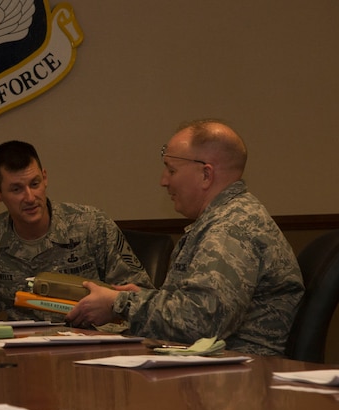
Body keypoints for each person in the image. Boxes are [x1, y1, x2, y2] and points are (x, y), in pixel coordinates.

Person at [65, 119, 304, 355]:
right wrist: (142, 298)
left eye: (171, 170)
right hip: (219, 368)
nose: (163, 181)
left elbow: (203, 323)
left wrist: (119, 304)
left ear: (205, 175)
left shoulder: (231, 229)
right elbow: (196, 307)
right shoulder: (223, 219)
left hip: (238, 376)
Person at [0, 140, 152, 320]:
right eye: (16, 189)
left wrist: (110, 307)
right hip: (23, 349)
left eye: (35, 184)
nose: (30, 197)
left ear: (45, 178)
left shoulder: (91, 224)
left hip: (91, 344)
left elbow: (140, 295)